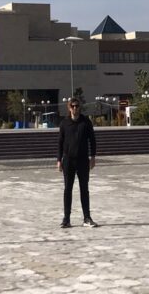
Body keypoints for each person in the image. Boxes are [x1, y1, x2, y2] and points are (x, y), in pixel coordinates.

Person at [57, 97, 97, 228]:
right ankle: (66, 219)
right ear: (69, 108)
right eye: (73, 106)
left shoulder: (86, 122)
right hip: (68, 161)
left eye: (77, 106)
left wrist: (93, 157)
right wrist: (59, 160)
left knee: (84, 189)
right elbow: (60, 143)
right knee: (67, 190)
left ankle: (87, 218)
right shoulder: (64, 123)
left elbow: (92, 139)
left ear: (80, 107)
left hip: (83, 161)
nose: (75, 108)